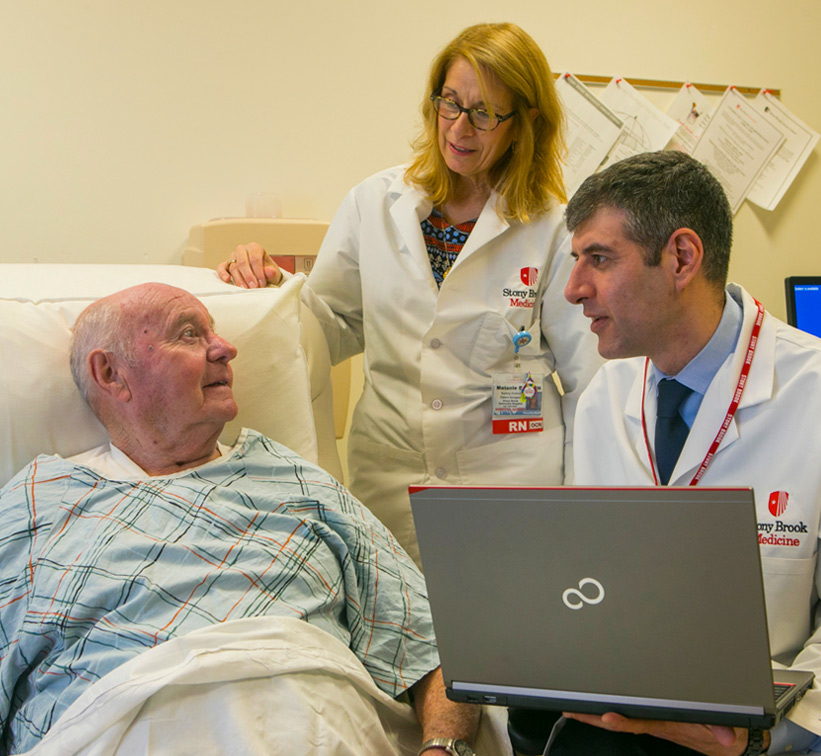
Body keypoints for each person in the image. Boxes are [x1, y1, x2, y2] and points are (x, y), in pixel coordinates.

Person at [0, 283, 481, 756]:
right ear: (110, 373)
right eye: (188, 334)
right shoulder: (40, 501)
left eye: (214, 332)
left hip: (316, 721)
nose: (225, 348)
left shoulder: (298, 483)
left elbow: (433, 645)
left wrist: (444, 748)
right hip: (117, 723)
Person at [532, 150, 821, 755]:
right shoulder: (601, 401)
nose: (572, 290)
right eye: (575, 261)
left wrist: (755, 740)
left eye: (598, 259)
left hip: (766, 736)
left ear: (681, 258)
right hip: (625, 720)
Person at [218, 22, 602, 565]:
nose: (460, 128)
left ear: (526, 123)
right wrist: (268, 286)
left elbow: (590, 380)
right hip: (392, 477)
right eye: (451, 102)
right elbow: (330, 324)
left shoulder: (554, 228)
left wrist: (589, 504)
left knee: (506, 635)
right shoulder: (374, 203)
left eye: (485, 112)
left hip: (511, 478)